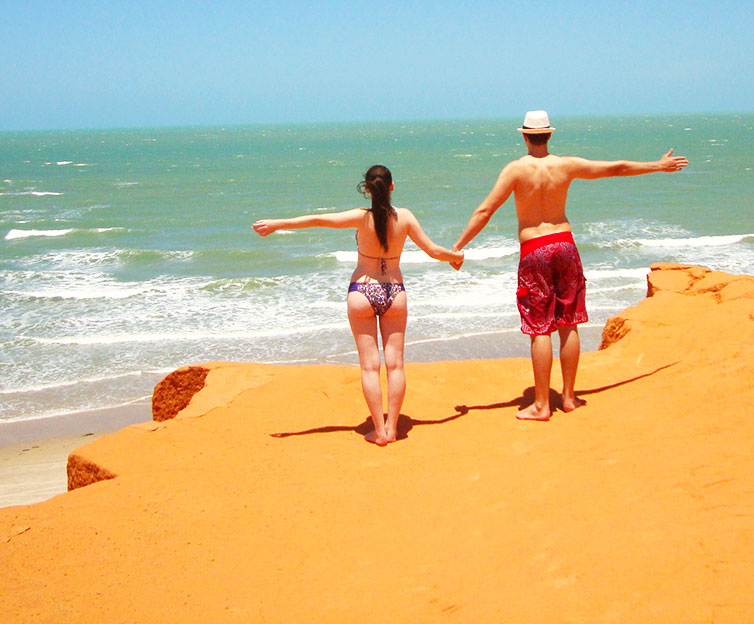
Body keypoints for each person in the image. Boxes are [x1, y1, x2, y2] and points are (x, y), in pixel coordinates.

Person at [452, 110, 688, 421]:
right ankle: (568, 397)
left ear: (524, 136)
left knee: (540, 328)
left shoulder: (515, 170)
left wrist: (458, 247)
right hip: (564, 244)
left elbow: (485, 211)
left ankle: (540, 404)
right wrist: (657, 166)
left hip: (535, 249)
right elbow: (615, 168)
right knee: (569, 323)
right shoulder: (566, 165)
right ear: (549, 135)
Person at [253, 164, 463, 446]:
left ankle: (379, 431)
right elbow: (434, 251)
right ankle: (392, 427)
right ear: (391, 186)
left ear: (367, 189)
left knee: (369, 367)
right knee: (396, 365)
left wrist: (278, 224)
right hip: (394, 291)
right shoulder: (406, 218)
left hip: (362, 290)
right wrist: (455, 256)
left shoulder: (359, 217)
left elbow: (318, 220)